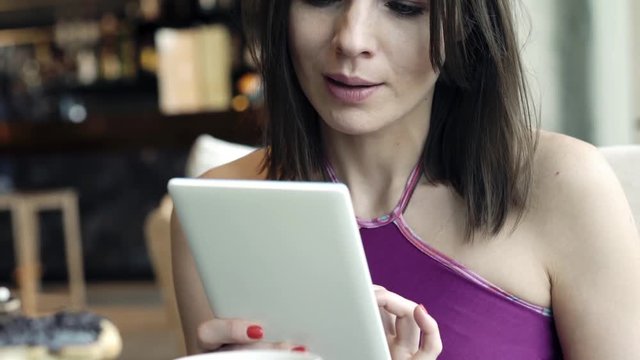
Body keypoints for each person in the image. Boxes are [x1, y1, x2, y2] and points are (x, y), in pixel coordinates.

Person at [171, 0, 640, 358]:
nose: (351, 39)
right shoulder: (216, 208)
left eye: (403, 5)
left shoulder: (564, 187)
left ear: (465, 24)